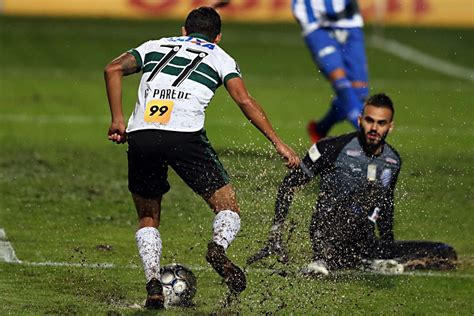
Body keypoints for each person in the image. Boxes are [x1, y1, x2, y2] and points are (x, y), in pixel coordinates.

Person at [104, 7, 299, 309]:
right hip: (185, 136)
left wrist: (118, 119)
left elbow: (112, 69)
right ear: (217, 37)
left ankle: (154, 282)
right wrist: (278, 143)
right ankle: (218, 248)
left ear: (183, 30)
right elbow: (244, 101)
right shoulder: (221, 57)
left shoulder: (154, 46)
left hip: (142, 133)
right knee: (227, 205)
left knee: (148, 217)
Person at [247, 93, 457, 274]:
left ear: (390, 127)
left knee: (445, 253)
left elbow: (386, 206)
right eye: (369, 120)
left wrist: (387, 247)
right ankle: (328, 259)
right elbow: (289, 185)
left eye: (381, 123)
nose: (374, 128)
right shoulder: (332, 148)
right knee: (371, 190)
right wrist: (276, 234)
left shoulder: (393, 161)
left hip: (362, 238)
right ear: (359, 120)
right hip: (328, 233)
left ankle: (371, 260)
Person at [210, 0, 369, 143]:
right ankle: (369, 139)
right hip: (315, 21)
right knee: (340, 80)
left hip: (349, 20)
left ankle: (320, 128)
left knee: (359, 92)